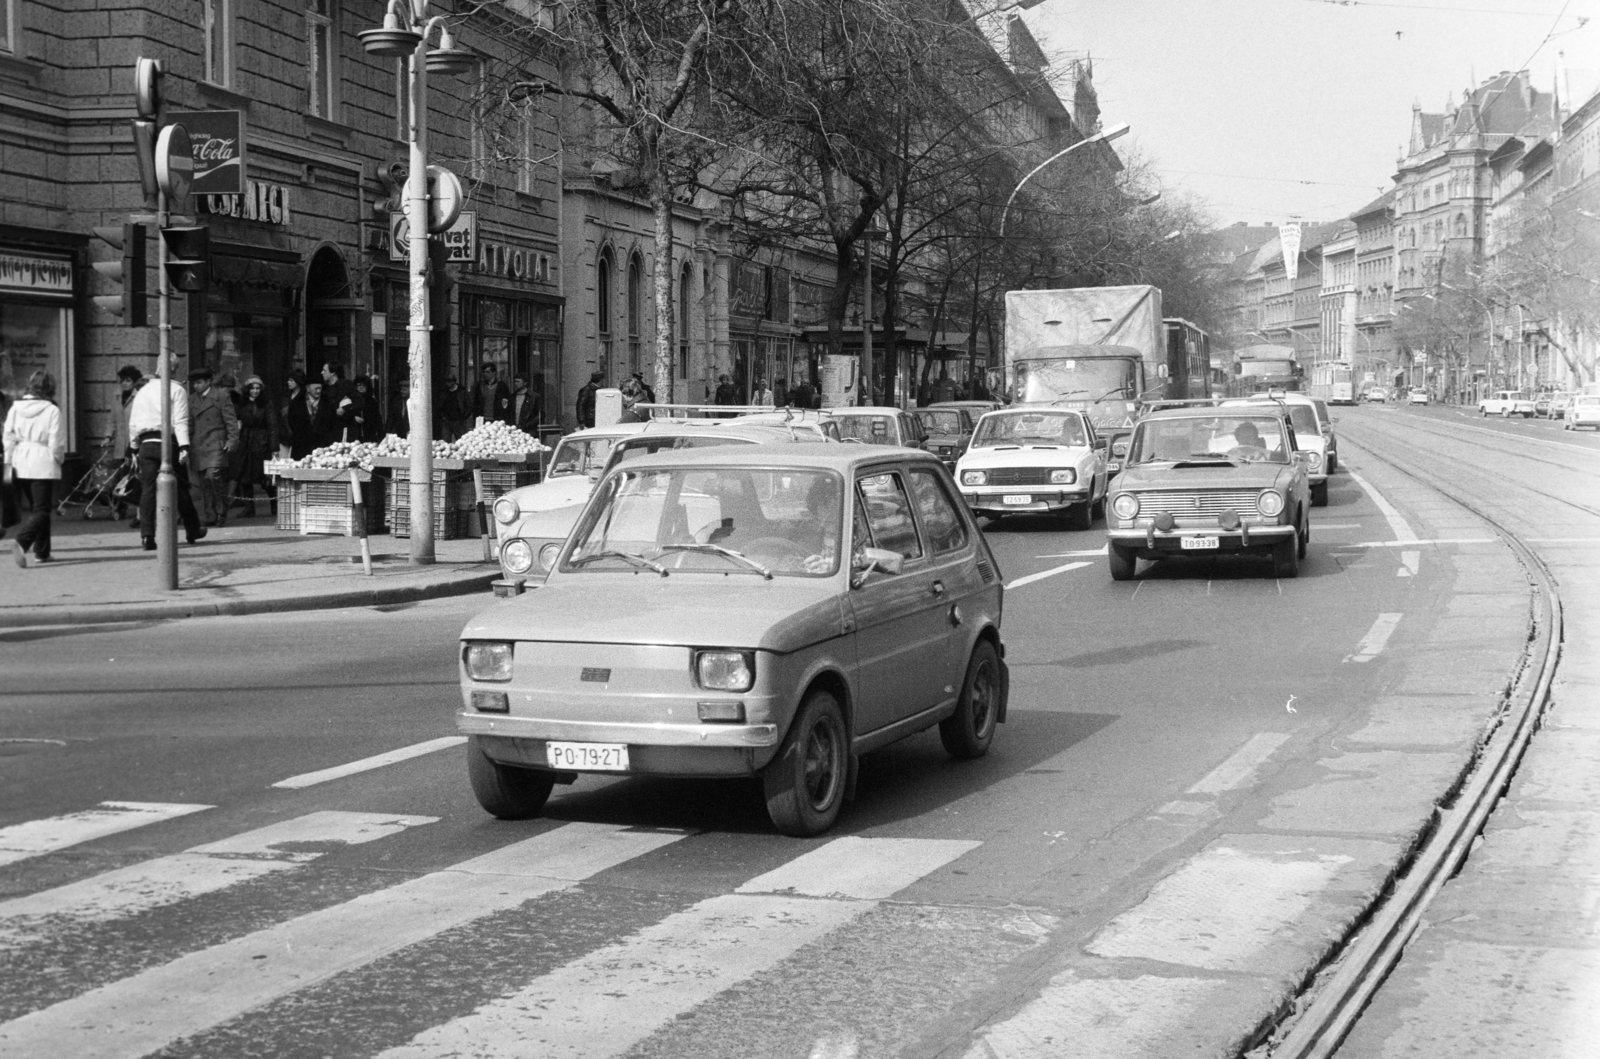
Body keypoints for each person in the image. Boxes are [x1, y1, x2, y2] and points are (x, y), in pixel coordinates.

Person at [127, 355, 204, 549]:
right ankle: (192, 528)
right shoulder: (177, 390)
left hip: (146, 444)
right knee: (180, 488)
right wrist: (184, 446)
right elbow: (180, 420)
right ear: (175, 369)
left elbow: (133, 423)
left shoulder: (142, 392)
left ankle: (147, 535)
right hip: (168, 443)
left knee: (148, 490)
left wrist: (134, 447)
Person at [4, 370, 66, 567]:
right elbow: (56, 441)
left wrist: (9, 460)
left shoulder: (15, 407)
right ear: (50, 388)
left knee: (36, 509)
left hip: (20, 460)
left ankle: (42, 552)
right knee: (41, 509)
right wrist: (58, 459)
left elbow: (8, 437)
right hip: (42, 461)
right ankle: (21, 541)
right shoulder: (52, 410)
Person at [188, 367, 240, 526]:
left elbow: (231, 421)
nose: (195, 386)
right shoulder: (191, 399)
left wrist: (232, 441)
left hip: (217, 443)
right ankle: (210, 515)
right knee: (204, 482)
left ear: (208, 382)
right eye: (194, 383)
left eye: (199, 382)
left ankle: (221, 510)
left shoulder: (221, 395)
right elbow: (189, 424)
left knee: (213, 476)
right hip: (199, 445)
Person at [233, 376, 279, 517]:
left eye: (258, 388)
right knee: (245, 477)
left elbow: (272, 426)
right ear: (247, 390)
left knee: (266, 478)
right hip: (246, 441)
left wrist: (274, 448)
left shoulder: (266, 404)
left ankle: (275, 505)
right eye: (252, 388)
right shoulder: (242, 403)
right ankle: (249, 507)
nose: (255, 391)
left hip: (262, 441)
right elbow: (236, 419)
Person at [111, 365, 145, 521]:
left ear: (134, 382)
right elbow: (111, 420)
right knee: (121, 476)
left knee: (134, 476)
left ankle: (136, 506)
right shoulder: (117, 397)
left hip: (134, 443)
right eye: (122, 381)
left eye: (128, 380)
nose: (124, 384)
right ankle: (121, 506)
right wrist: (107, 436)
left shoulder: (140, 396)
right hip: (120, 444)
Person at [321, 362, 360, 442]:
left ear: (333, 373)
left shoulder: (346, 385)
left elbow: (359, 402)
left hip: (343, 428)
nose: (322, 373)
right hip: (328, 429)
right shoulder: (324, 388)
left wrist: (345, 409)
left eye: (325, 371)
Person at [282, 371, 311, 459]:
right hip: (286, 433)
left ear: (298, 381)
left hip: (301, 435)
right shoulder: (286, 397)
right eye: (288, 380)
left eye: (291, 380)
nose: (288, 382)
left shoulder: (306, 397)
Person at [438, 373, 471, 440]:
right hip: (447, 421)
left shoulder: (462, 391)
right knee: (445, 441)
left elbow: (468, 405)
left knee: (461, 440)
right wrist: (443, 416)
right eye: (446, 381)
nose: (447, 383)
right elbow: (440, 405)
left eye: (449, 381)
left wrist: (464, 417)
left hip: (458, 421)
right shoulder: (444, 392)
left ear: (454, 381)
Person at [353, 375, 385, 441]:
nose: (361, 387)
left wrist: (381, 437)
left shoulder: (372, 401)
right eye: (359, 385)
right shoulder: (351, 400)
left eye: (364, 385)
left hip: (369, 435)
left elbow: (377, 419)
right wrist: (353, 418)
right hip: (354, 435)